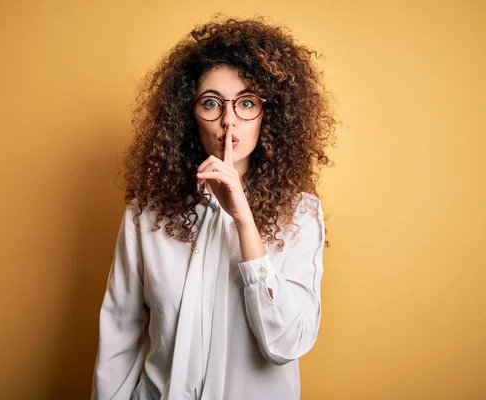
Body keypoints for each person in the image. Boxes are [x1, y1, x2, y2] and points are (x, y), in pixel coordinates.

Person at [91, 16, 337, 400]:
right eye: (211, 103)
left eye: (246, 103)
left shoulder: (300, 214)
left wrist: (243, 219)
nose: (228, 120)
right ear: (188, 114)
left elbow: (286, 343)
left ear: (268, 115)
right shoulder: (147, 214)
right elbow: (119, 336)